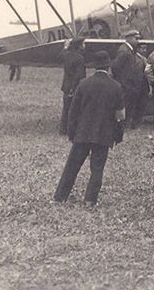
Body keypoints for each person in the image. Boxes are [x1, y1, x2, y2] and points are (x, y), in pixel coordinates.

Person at [53, 51, 124, 206]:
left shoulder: (83, 84)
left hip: (82, 134)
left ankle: (60, 197)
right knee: (97, 169)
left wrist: (71, 132)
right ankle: (90, 200)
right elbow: (120, 115)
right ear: (108, 65)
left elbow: (73, 112)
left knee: (71, 167)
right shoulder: (116, 87)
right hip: (104, 135)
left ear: (94, 66)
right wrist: (118, 135)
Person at [111, 29, 148, 130]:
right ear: (129, 38)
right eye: (136, 39)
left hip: (129, 84)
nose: (138, 41)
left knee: (129, 105)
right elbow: (115, 66)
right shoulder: (124, 51)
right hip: (126, 85)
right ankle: (122, 126)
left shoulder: (129, 50)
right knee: (125, 105)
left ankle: (126, 125)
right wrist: (122, 80)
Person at [59, 37, 87, 135]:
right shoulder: (80, 59)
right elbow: (79, 76)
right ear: (79, 46)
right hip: (74, 87)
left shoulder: (67, 55)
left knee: (66, 109)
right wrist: (75, 88)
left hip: (66, 86)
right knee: (76, 109)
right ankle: (73, 130)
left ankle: (63, 130)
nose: (85, 45)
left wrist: (65, 46)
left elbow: (62, 55)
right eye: (83, 44)